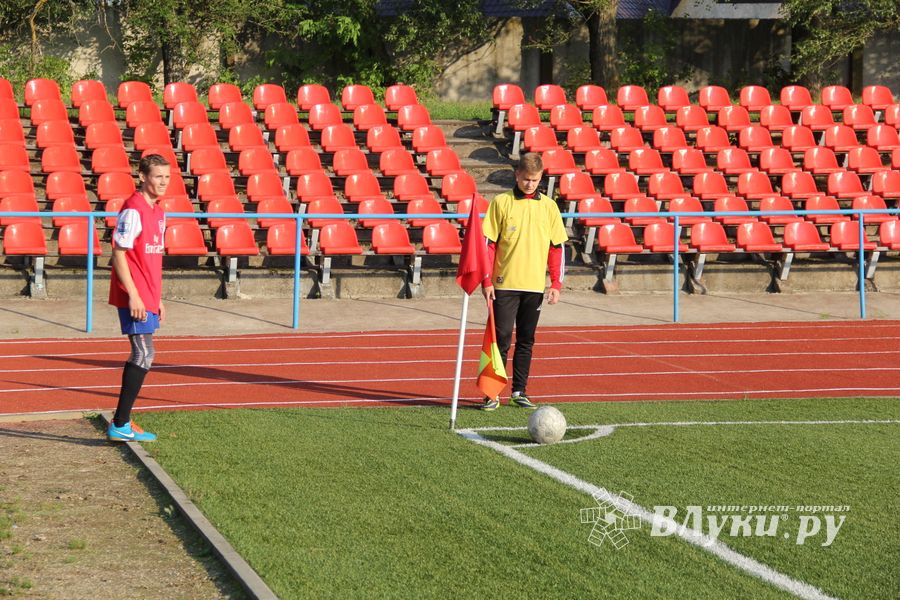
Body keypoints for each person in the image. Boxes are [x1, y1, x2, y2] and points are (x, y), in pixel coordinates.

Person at [480, 152, 568, 411]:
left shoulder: (549, 206)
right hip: (504, 285)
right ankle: (492, 393)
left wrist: (556, 284)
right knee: (502, 339)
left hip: (533, 287)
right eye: (526, 178)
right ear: (517, 175)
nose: (530, 184)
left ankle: (519, 390)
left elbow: (557, 248)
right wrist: (487, 280)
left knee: (526, 340)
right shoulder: (501, 202)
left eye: (535, 180)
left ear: (541, 178)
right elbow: (488, 245)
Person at [106, 154, 170, 442]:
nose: (163, 182)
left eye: (167, 177)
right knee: (143, 354)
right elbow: (118, 253)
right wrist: (133, 295)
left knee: (145, 353)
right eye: (158, 177)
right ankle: (120, 424)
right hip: (134, 295)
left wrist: (158, 298)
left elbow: (150, 258)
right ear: (143, 176)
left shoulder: (159, 211)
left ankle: (123, 421)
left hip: (149, 295)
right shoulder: (133, 210)